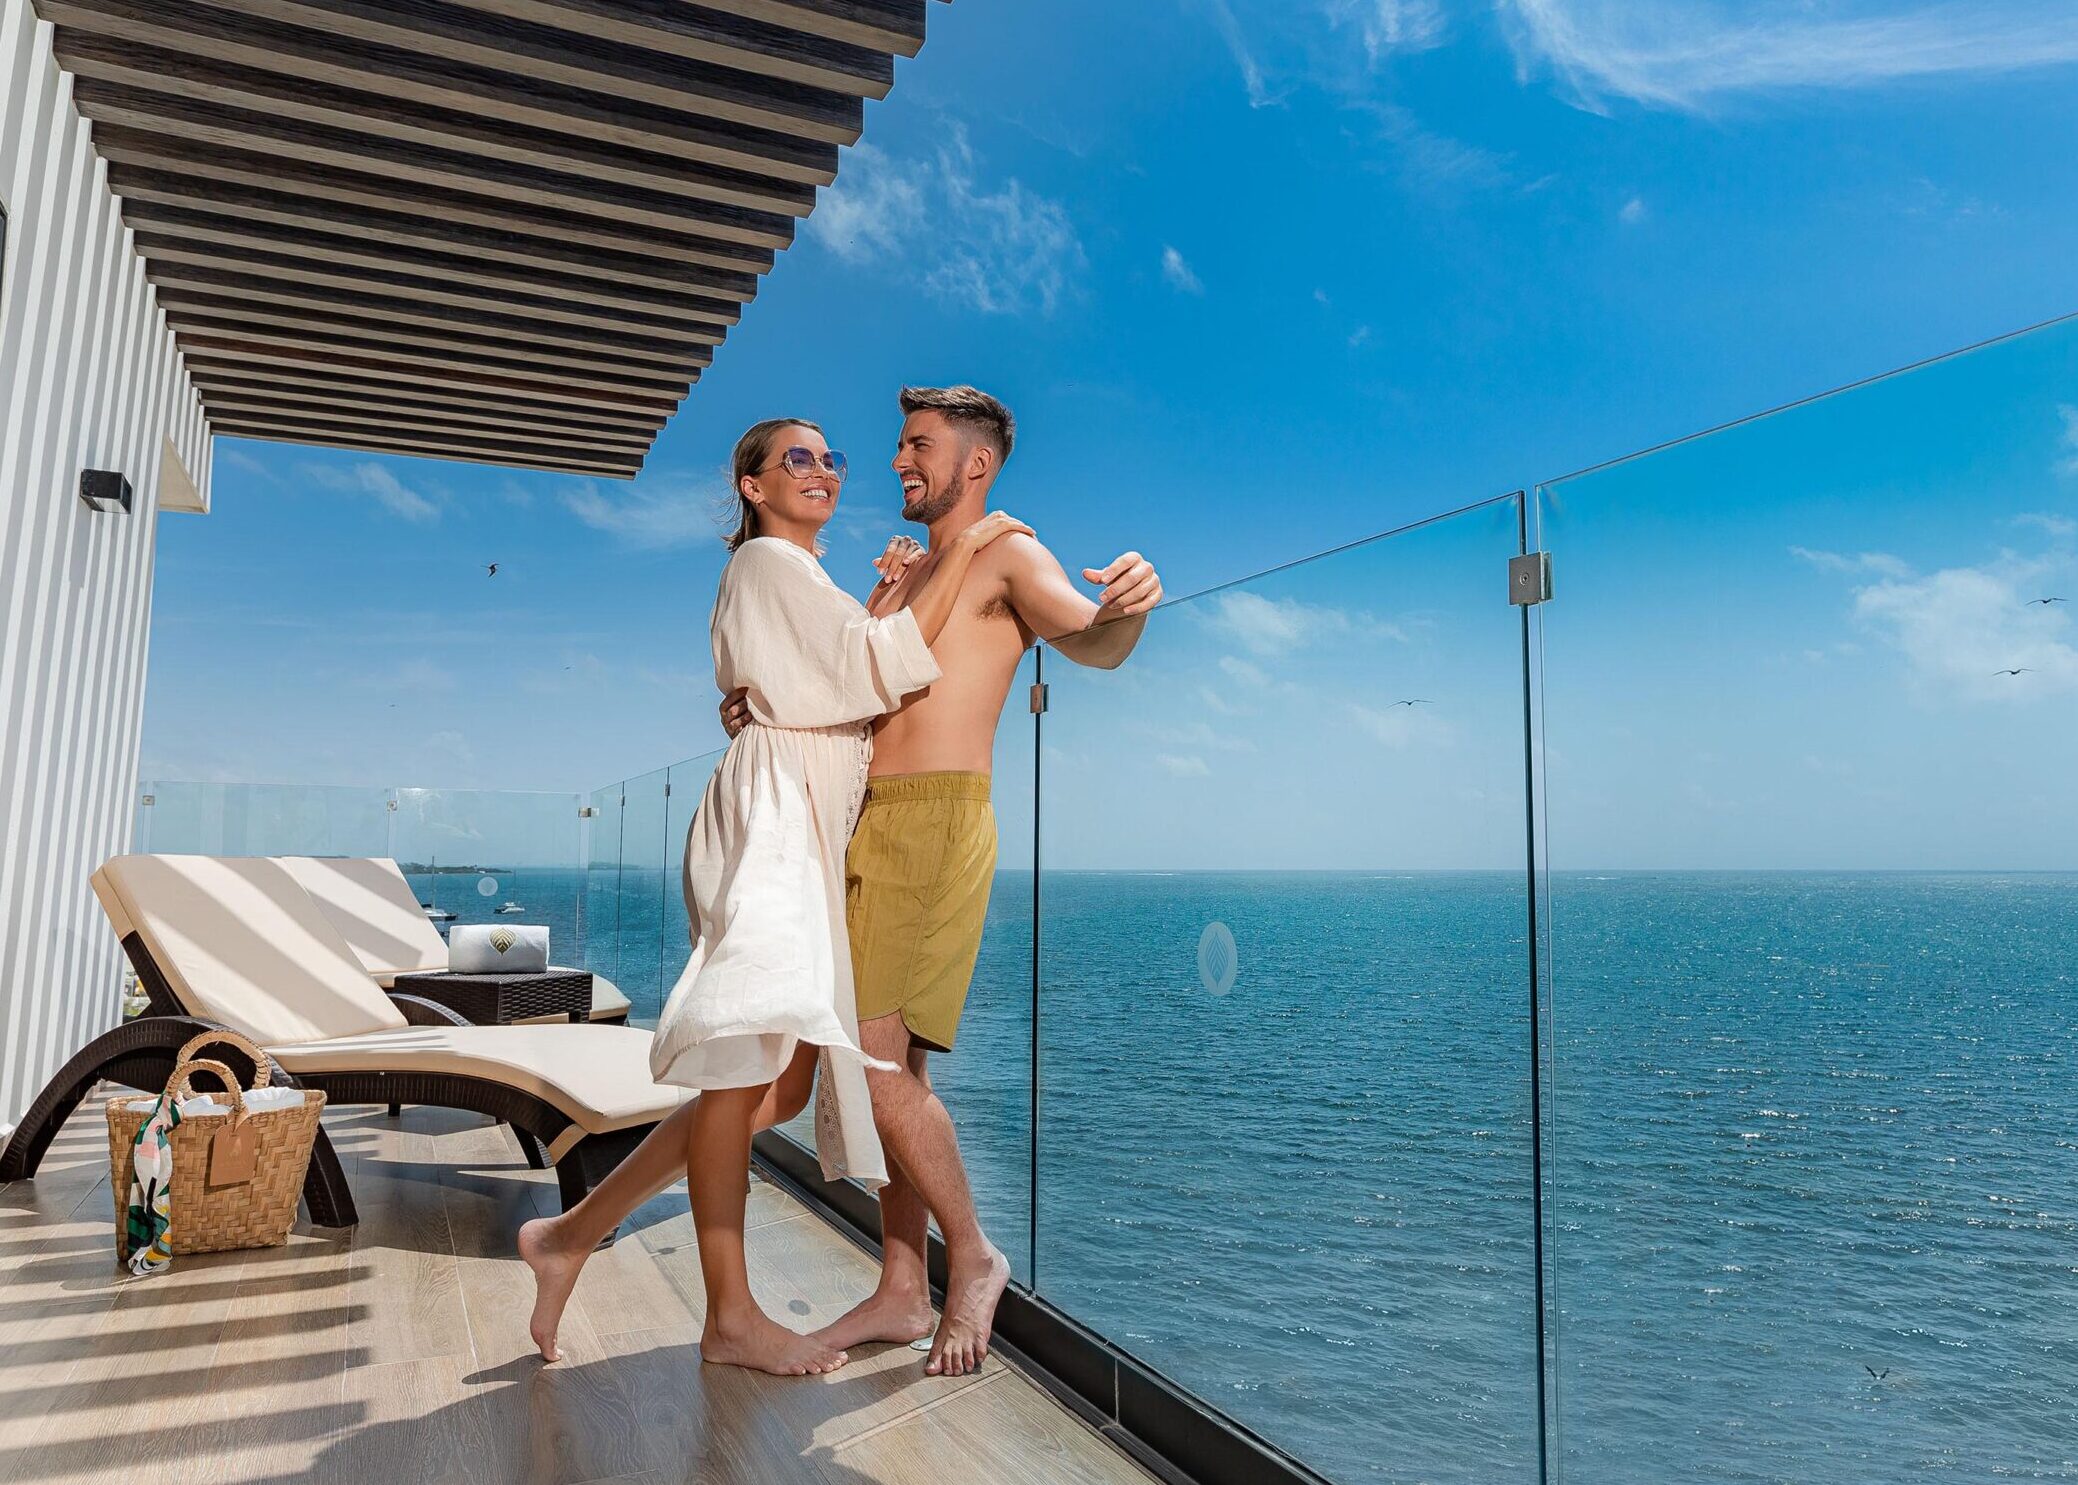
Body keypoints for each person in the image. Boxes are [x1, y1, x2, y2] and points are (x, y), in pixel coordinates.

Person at [518, 416, 1029, 1377]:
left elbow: (837, 675)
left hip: (797, 825)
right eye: (799, 458)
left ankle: (573, 1232)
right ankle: (730, 1316)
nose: (826, 470)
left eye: (833, 457)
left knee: (776, 1085)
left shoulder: (799, 577)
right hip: (774, 828)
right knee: (746, 1075)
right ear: (751, 485)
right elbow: (868, 665)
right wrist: (970, 547)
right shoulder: (767, 567)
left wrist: (889, 593)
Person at [723, 385, 1162, 1378]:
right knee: (896, 1072)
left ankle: (972, 1256)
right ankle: (896, 1286)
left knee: (873, 1068)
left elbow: (1088, 639)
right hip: (861, 823)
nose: (893, 462)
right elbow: (839, 695)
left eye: (915, 445)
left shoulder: (1006, 549)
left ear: (973, 463)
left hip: (934, 823)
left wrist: (1128, 606)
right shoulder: (902, 578)